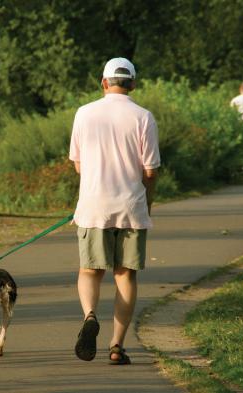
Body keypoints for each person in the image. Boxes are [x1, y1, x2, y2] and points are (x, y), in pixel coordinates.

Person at [69, 57, 160, 365]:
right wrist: (148, 203)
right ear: (132, 83)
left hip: (93, 206)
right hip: (131, 206)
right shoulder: (144, 117)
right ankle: (116, 346)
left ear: (104, 82)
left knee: (89, 270)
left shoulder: (84, 114)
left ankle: (90, 314)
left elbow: (79, 165)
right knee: (125, 275)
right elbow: (150, 171)